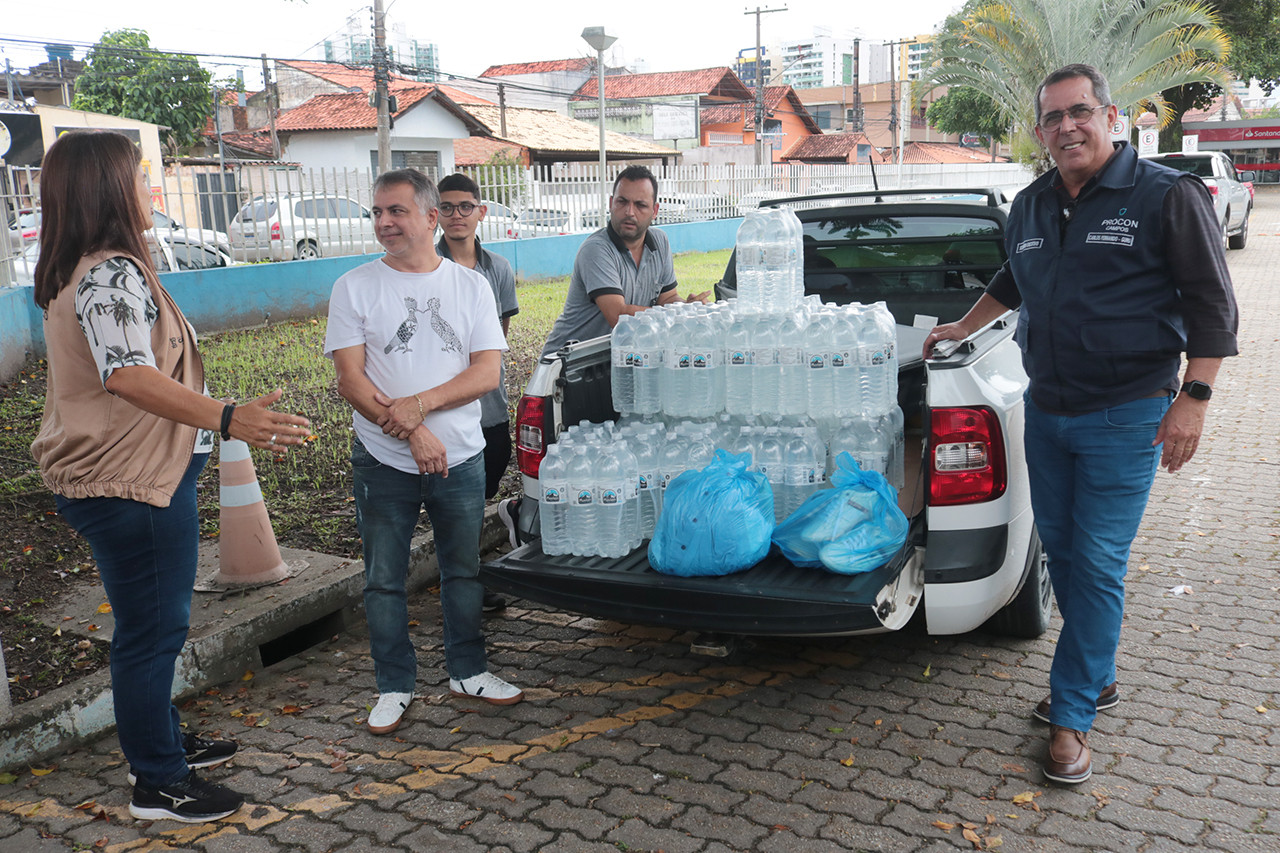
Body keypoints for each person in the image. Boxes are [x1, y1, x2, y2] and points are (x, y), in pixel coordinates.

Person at [922, 64, 1238, 785]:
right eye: (1054, 117)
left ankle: (1071, 718)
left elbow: (1214, 305)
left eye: (1080, 111)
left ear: (1111, 115)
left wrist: (1195, 396)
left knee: (1095, 563)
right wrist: (962, 325)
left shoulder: (1166, 196)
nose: (1067, 126)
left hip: (1127, 415)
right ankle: (1096, 673)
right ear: (1040, 131)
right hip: (1048, 412)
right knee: (1065, 559)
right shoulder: (1031, 205)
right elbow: (1014, 279)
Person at [30, 131, 311, 823]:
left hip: (134, 477)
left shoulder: (96, 269)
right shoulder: (109, 274)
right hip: (129, 484)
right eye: (141, 178)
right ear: (110, 191)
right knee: (152, 632)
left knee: (153, 624)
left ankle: (157, 739)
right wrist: (227, 416)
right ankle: (158, 780)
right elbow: (126, 375)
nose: (151, 190)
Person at [325, 168, 523, 737]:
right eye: (378, 213)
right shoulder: (355, 286)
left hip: (460, 454)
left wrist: (420, 406)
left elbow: (487, 371)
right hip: (382, 460)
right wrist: (413, 431)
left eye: (397, 212)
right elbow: (350, 381)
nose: (384, 223)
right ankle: (394, 684)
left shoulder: (470, 286)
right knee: (383, 577)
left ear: (430, 218)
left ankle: (469, 670)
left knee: (462, 570)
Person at [499, 166, 709, 544]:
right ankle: (521, 514)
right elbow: (617, 315)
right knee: (569, 464)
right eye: (622, 202)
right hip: (572, 368)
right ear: (611, 204)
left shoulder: (659, 243)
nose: (630, 212)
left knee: (606, 463)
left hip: (619, 364)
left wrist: (686, 305)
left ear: (655, 209)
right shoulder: (596, 250)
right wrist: (676, 314)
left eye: (639, 204)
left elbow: (666, 298)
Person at [435, 174, 519, 611]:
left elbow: (495, 346)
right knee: (451, 503)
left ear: (481, 211)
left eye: (465, 206)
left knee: (477, 495)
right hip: (441, 413)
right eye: (446, 207)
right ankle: (464, 585)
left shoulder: (498, 270)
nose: (456, 216)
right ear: (434, 213)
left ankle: (461, 577)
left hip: (488, 409)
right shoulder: (424, 268)